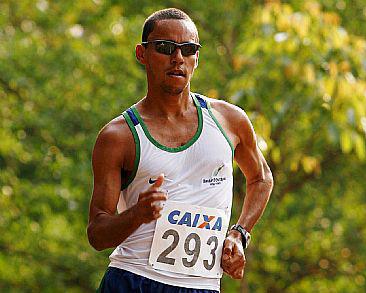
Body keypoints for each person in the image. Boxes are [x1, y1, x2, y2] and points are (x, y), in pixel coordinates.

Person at [87, 8, 273, 293]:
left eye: (188, 49)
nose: (178, 58)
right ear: (141, 54)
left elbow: (261, 179)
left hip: (203, 285)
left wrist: (239, 233)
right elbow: (97, 234)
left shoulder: (230, 120)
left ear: (196, 58)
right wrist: (138, 213)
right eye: (165, 48)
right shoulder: (119, 136)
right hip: (134, 280)